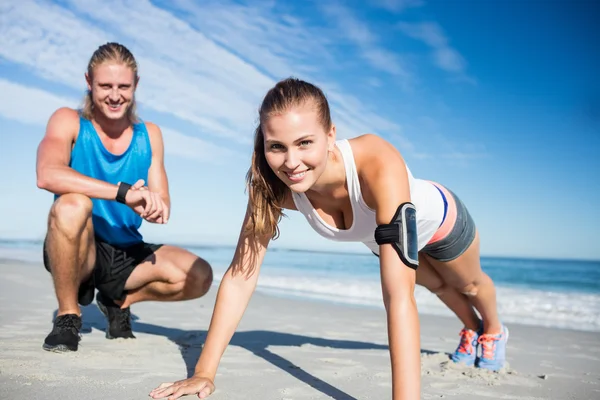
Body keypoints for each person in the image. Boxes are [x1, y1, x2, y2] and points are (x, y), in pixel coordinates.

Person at [149, 78, 508, 400]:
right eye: (277, 147)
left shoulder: (377, 162)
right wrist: (204, 372)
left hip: (441, 219)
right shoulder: (272, 189)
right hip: (381, 236)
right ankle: (470, 329)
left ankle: (492, 331)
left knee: (468, 284)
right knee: (439, 287)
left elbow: (398, 297)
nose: (291, 162)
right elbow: (240, 277)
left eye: (305, 143)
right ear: (264, 143)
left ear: (331, 134)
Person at [35, 42, 213, 353]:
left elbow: (162, 201)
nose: (115, 95)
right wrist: (122, 192)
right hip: (79, 246)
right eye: (105, 85)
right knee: (72, 205)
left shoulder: (150, 134)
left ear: (136, 86)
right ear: (89, 82)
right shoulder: (68, 120)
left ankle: (117, 300)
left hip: (126, 250)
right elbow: (47, 174)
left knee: (199, 276)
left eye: (123, 86)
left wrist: (153, 206)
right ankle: (68, 316)